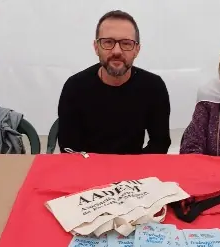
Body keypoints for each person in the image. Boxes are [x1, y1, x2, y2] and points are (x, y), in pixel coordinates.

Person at [57, 10, 171, 154]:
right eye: (108, 42)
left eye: (126, 43)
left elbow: (160, 144)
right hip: (87, 170)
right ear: (96, 47)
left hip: (134, 172)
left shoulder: (154, 87)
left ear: (137, 50)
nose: (117, 51)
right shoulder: (75, 87)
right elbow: (69, 148)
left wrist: (133, 171)